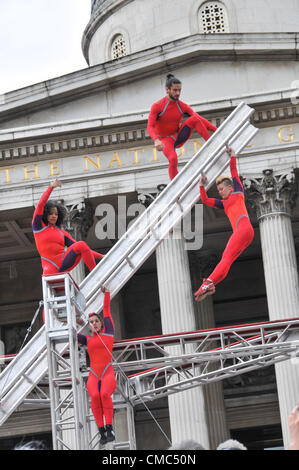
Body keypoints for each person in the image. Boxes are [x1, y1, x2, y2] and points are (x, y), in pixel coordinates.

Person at [194, 148, 254, 302]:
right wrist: (201, 185)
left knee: (226, 257)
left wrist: (232, 156)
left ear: (230, 187)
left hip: (243, 229)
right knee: (228, 259)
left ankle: (208, 283)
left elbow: (233, 171)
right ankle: (212, 284)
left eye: (221, 189)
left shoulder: (238, 192)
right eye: (218, 190)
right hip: (245, 232)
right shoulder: (224, 204)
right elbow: (206, 200)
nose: (220, 192)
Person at [147, 73, 217, 181]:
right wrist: (156, 140)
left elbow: (199, 119)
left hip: (178, 136)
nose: (178, 93)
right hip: (164, 140)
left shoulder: (182, 106)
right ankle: (175, 185)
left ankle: (212, 144)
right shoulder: (157, 106)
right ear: (167, 89)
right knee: (173, 158)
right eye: (175, 90)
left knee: (194, 119)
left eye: (179, 90)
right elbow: (150, 126)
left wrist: (216, 130)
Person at [32, 178, 103, 276]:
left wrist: (102, 257)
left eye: (56, 214)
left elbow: (85, 249)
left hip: (63, 264)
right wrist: (51, 187)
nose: (54, 216)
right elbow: (40, 205)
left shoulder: (61, 232)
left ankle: (96, 275)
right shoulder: (38, 227)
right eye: (51, 213)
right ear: (45, 214)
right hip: (50, 268)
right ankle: (96, 275)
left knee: (81, 245)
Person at [77, 287, 116, 446]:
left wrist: (106, 294)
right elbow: (72, 334)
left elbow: (106, 310)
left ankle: (109, 427)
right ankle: (102, 431)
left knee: (104, 395)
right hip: (94, 373)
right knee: (94, 397)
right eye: (91, 322)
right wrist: (71, 319)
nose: (94, 323)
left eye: (96, 321)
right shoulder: (87, 339)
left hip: (107, 372)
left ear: (101, 323)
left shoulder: (109, 332)